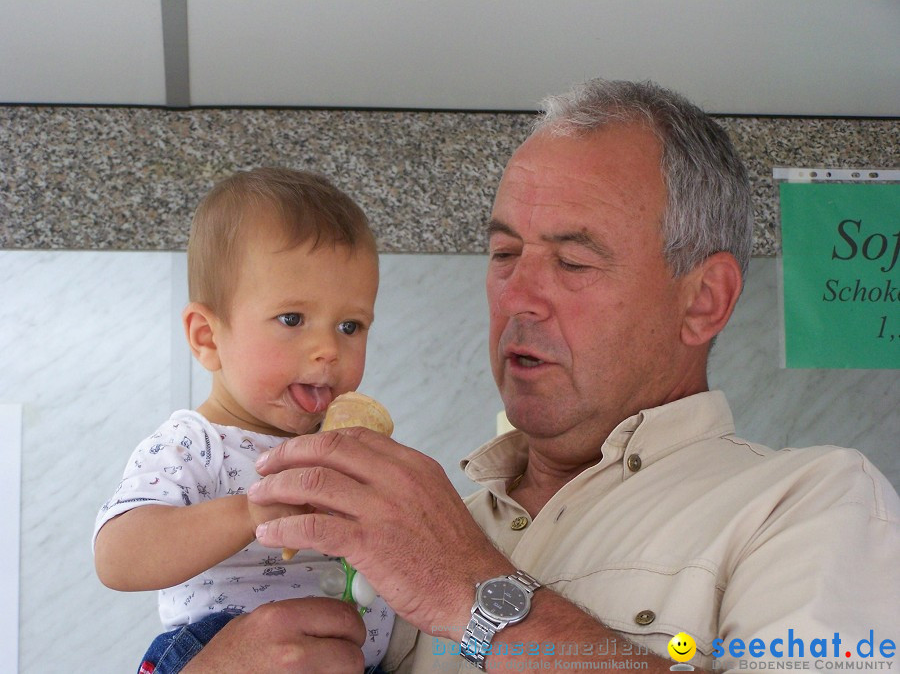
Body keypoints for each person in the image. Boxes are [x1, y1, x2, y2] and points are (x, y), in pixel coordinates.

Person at [190, 80, 900, 673]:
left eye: (573, 261)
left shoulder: (811, 505)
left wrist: (475, 592)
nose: (519, 295)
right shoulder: (428, 527)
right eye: (504, 253)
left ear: (703, 299)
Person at [93, 167, 394, 673]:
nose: (327, 350)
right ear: (208, 338)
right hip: (219, 648)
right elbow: (118, 557)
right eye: (292, 320)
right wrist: (251, 514)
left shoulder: (351, 448)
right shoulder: (195, 444)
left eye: (350, 325)